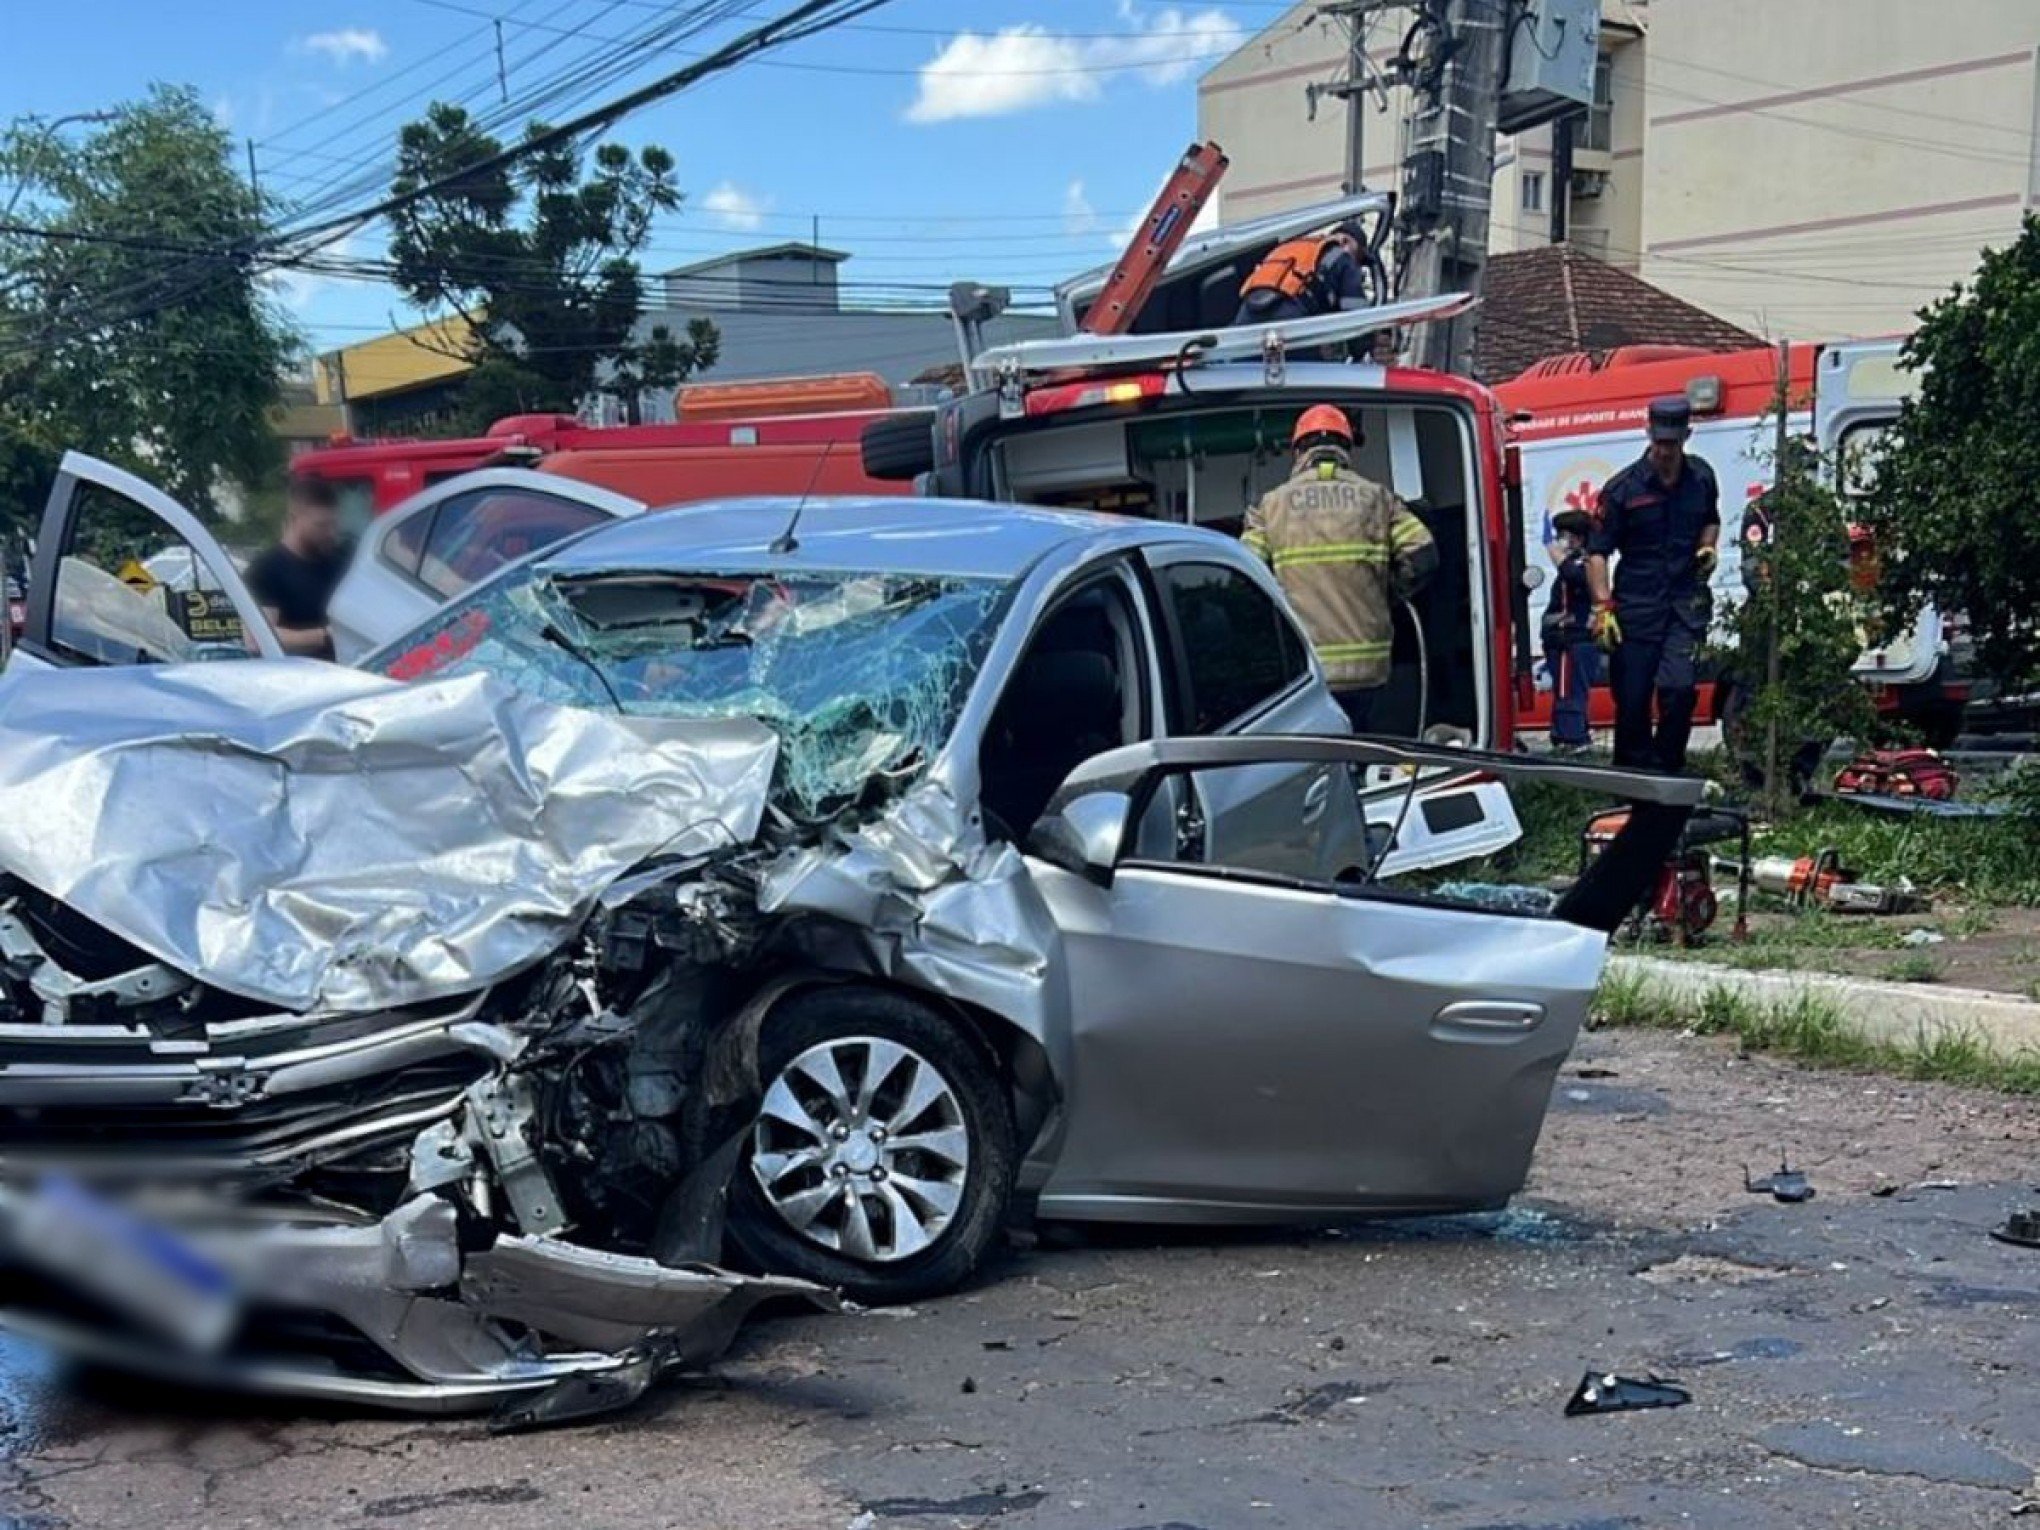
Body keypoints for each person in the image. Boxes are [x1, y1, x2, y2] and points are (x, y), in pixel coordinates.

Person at [1242, 404, 1437, 733]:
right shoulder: (1376, 498)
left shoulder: (1271, 506)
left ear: (1298, 451)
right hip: (1369, 668)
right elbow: (1423, 557)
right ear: (1346, 448)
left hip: (1306, 672)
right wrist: (1391, 591)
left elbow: (1247, 573)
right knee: (1366, 749)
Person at [1586, 396, 1720, 772]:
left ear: (1686, 437)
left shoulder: (1702, 478)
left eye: (1672, 443)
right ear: (1648, 435)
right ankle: (1631, 776)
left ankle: (1666, 770)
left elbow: (1711, 518)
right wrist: (1602, 606)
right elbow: (1598, 552)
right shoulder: (1623, 489)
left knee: (1679, 690)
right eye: (1659, 442)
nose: (1665, 451)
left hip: (1684, 605)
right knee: (1632, 699)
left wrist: (1707, 547)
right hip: (1636, 608)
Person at [248, 475, 350, 659]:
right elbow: (256, 639)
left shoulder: (338, 563)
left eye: (333, 524)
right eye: (321, 525)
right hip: (292, 681)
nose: (330, 533)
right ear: (295, 518)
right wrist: (325, 636)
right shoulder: (266, 569)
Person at [1234, 224, 1375, 325]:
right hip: (1291, 325)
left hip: (1245, 321)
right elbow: (1356, 317)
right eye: (1359, 258)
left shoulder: (1289, 248)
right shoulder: (1341, 255)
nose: (1357, 266)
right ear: (1345, 242)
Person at [1541, 507, 1599, 751]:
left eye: (1564, 534)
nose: (1560, 540)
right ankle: (1567, 735)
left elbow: (1577, 579)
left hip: (1573, 641)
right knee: (1566, 692)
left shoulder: (1586, 563)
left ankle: (1572, 739)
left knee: (1569, 694)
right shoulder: (1576, 563)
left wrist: (1557, 555)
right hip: (1564, 641)